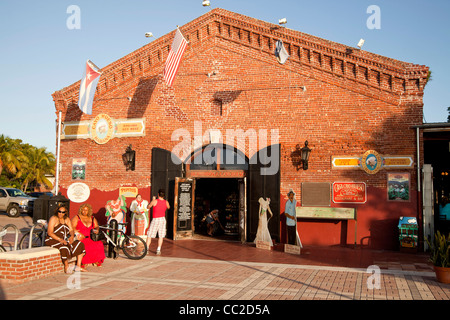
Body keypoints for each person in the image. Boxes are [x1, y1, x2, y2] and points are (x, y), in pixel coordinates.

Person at [45, 204, 86, 274]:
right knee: (64, 247)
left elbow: (71, 230)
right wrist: (60, 240)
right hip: (53, 239)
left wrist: (72, 236)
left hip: (65, 239)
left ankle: (78, 266)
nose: (61, 213)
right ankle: (66, 266)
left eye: (63, 212)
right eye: (59, 211)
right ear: (57, 211)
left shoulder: (67, 219)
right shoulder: (53, 219)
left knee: (80, 244)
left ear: (65, 213)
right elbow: (50, 232)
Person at [71, 203, 105, 268]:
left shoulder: (92, 218)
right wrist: (78, 233)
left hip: (91, 237)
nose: (84, 211)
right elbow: (72, 227)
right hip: (81, 238)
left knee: (99, 244)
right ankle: (83, 262)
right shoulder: (77, 217)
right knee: (85, 246)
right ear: (81, 210)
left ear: (89, 211)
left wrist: (97, 230)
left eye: (86, 210)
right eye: (83, 210)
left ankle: (96, 260)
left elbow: (96, 226)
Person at [146, 189, 170, 255]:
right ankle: (158, 249)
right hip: (162, 219)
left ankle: (146, 248)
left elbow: (148, 207)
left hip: (156, 219)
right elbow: (168, 207)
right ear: (164, 195)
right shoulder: (166, 202)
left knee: (149, 234)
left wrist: (153, 200)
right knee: (161, 235)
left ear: (158, 194)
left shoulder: (155, 201)